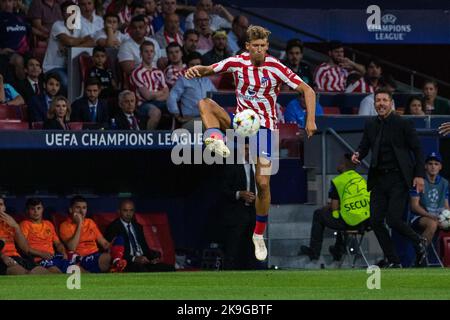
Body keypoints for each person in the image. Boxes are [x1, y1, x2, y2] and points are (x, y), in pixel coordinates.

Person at [184, 25, 317, 261]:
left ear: (267, 47)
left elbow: (307, 90)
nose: (259, 51)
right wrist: (197, 70)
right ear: (247, 47)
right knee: (205, 103)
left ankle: (258, 234)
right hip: (242, 122)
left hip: (265, 129)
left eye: (263, 47)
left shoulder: (276, 66)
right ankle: (215, 138)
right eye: (255, 46)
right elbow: (210, 69)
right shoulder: (237, 61)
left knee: (262, 184)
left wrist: (310, 120)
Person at [351, 88, 427, 268]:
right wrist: (358, 155)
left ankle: (418, 241)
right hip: (378, 179)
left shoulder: (403, 123)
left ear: (391, 103)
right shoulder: (370, 124)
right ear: (375, 104)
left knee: (393, 220)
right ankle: (394, 260)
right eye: (378, 101)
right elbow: (364, 146)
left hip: (398, 178)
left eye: (385, 100)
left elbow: (417, 150)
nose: (381, 104)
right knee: (376, 221)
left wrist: (419, 175)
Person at [299, 153, 370, 261]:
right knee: (342, 215)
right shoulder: (361, 179)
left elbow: (334, 207)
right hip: (365, 222)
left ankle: (314, 253)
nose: (337, 164)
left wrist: (328, 207)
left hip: (349, 222)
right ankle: (338, 250)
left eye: (339, 162)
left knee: (319, 214)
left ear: (343, 165)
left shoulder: (338, 181)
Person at [59, 195, 127, 273]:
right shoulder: (65, 225)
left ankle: (116, 262)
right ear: (71, 210)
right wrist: (80, 224)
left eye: (84, 208)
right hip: (81, 258)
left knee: (119, 239)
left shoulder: (90, 222)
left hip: (95, 255)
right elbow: (72, 247)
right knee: (107, 258)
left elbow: (104, 244)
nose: (81, 211)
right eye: (78, 207)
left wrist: (115, 248)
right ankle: (115, 265)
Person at [104, 199, 174, 272]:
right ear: (119, 211)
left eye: (131, 210)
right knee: (140, 269)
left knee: (169, 268)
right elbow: (113, 252)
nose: (128, 214)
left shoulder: (138, 226)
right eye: (125, 210)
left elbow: (144, 247)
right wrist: (134, 258)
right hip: (127, 262)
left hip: (143, 261)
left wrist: (152, 257)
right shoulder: (113, 227)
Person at [219, 142, 257, 270]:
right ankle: (229, 273)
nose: (248, 152)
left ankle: (251, 273)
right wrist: (239, 194)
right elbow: (223, 190)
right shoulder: (232, 166)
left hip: (254, 212)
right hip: (237, 212)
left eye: (250, 149)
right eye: (246, 149)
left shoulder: (258, 166)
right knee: (234, 246)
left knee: (251, 246)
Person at [42, 0, 95, 93]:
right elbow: (69, 41)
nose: (71, 14)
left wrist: (73, 46)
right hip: (53, 67)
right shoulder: (57, 25)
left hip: (72, 66)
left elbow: (91, 42)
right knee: (67, 84)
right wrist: (82, 40)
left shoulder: (80, 25)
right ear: (62, 14)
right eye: (68, 12)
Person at [0, 196, 50, 275]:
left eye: (1, 204)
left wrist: (16, 227)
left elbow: (25, 248)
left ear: (4, 208)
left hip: (17, 257)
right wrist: (3, 257)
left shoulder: (10, 223)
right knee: (26, 274)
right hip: (3, 259)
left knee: (46, 273)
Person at [20, 198, 71, 273]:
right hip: (38, 260)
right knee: (56, 271)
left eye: (38, 208)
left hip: (53, 258)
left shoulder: (49, 224)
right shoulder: (24, 225)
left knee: (75, 269)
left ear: (42, 209)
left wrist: (63, 252)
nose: (36, 211)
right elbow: (24, 248)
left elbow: (58, 243)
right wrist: (42, 254)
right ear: (27, 211)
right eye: (32, 209)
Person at [167, 51, 215, 131]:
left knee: (230, 124)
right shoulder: (183, 80)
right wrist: (177, 115)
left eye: (198, 65)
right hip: (192, 120)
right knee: (209, 127)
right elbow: (171, 98)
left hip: (208, 117)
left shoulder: (207, 81)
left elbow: (217, 97)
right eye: (192, 65)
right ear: (187, 66)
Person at [410, 152, 449, 245]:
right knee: (432, 224)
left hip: (438, 218)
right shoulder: (419, 181)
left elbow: (446, 205)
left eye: (436, 164)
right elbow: (414, 206)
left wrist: (447, 218)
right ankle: (420, 252)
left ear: (440, 167)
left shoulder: (444, 183)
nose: (433, 167)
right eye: (430, 164)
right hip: (419, 217)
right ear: (425, 166)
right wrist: (432, 216)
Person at [130, 41, 168, 130]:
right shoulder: (137, 73)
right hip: (143, 104)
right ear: (141, 54)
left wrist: (156, 95)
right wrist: (161, 92)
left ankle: (175, 135)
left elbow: (167, 94)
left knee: (175, 106)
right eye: (146, 51)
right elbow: (147, 96)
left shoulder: (159, 72)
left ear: (154, 53)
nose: (149, 54)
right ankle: (148, 139)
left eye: (151, 51)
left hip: (159, 102)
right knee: (156, 112)